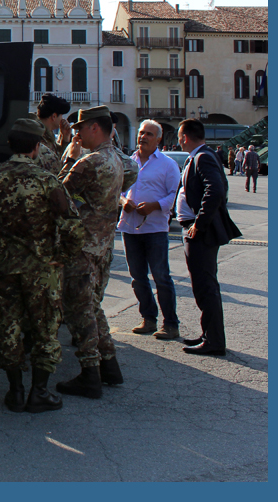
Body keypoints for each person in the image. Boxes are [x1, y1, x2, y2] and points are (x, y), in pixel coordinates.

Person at [0, 119, 86, 413]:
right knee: (44, 331)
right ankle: (39, 392)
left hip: (2, 268)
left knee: (8, 327)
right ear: (36, 147)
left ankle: (15, 392)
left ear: (10, 145)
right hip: (42, 270)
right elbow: (73, 226)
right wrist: (63, 257)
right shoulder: (46, 181)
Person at [55, 105, 136, 399]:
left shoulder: (89, 162)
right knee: (92, 304)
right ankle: (110, 364)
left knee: (80, 308)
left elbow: (57, 196)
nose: (77, 135)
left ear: (94, 128)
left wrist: (70, 159)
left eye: (79, 129)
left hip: (81, 245)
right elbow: (129, 178)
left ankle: (90, 372)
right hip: (102, 244)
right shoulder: (118, 159)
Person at [175, 119, 242, 357]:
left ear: (185, 137)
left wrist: (199, 224)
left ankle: (214, 341)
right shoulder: (201, 155)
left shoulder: (202, 157)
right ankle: (209, 334)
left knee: (206, 287)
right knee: (202, 286)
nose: (178, 140)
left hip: (200, 233)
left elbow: (216, 189)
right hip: (194, 230)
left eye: (179, 136)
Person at [117, 120, 182, 340]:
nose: (143, 137)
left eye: (149, 134)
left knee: (161, 277)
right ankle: (148, 318)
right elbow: (118, 189)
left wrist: (154, 206)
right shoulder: (128, 162)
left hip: (155, 229)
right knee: (137, 277)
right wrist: (123, 201)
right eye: (142, 133)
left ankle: (171, 324)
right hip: (130, 227)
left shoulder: (168, 164)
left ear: (158, 139)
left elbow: (173, 195)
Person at [33, 93, 73, 176]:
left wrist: (65, 139)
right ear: (54, 116)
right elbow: (55, 167)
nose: (62, 119)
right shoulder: (37, 134)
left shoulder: (47, 134)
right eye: (61, 115)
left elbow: (56, 157)